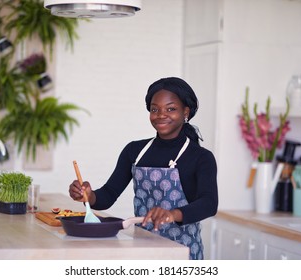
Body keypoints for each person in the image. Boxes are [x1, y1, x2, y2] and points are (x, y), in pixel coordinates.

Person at [69, 77, 218, 260]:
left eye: (170, 109)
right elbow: (108, 194)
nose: (161, 115)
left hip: (182, 252)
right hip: (142, 249)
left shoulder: (201, 157)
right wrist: (88, 196)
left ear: (185, 112)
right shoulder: (135, 150)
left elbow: (209, 204)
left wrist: (172, 214)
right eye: (155, 109)